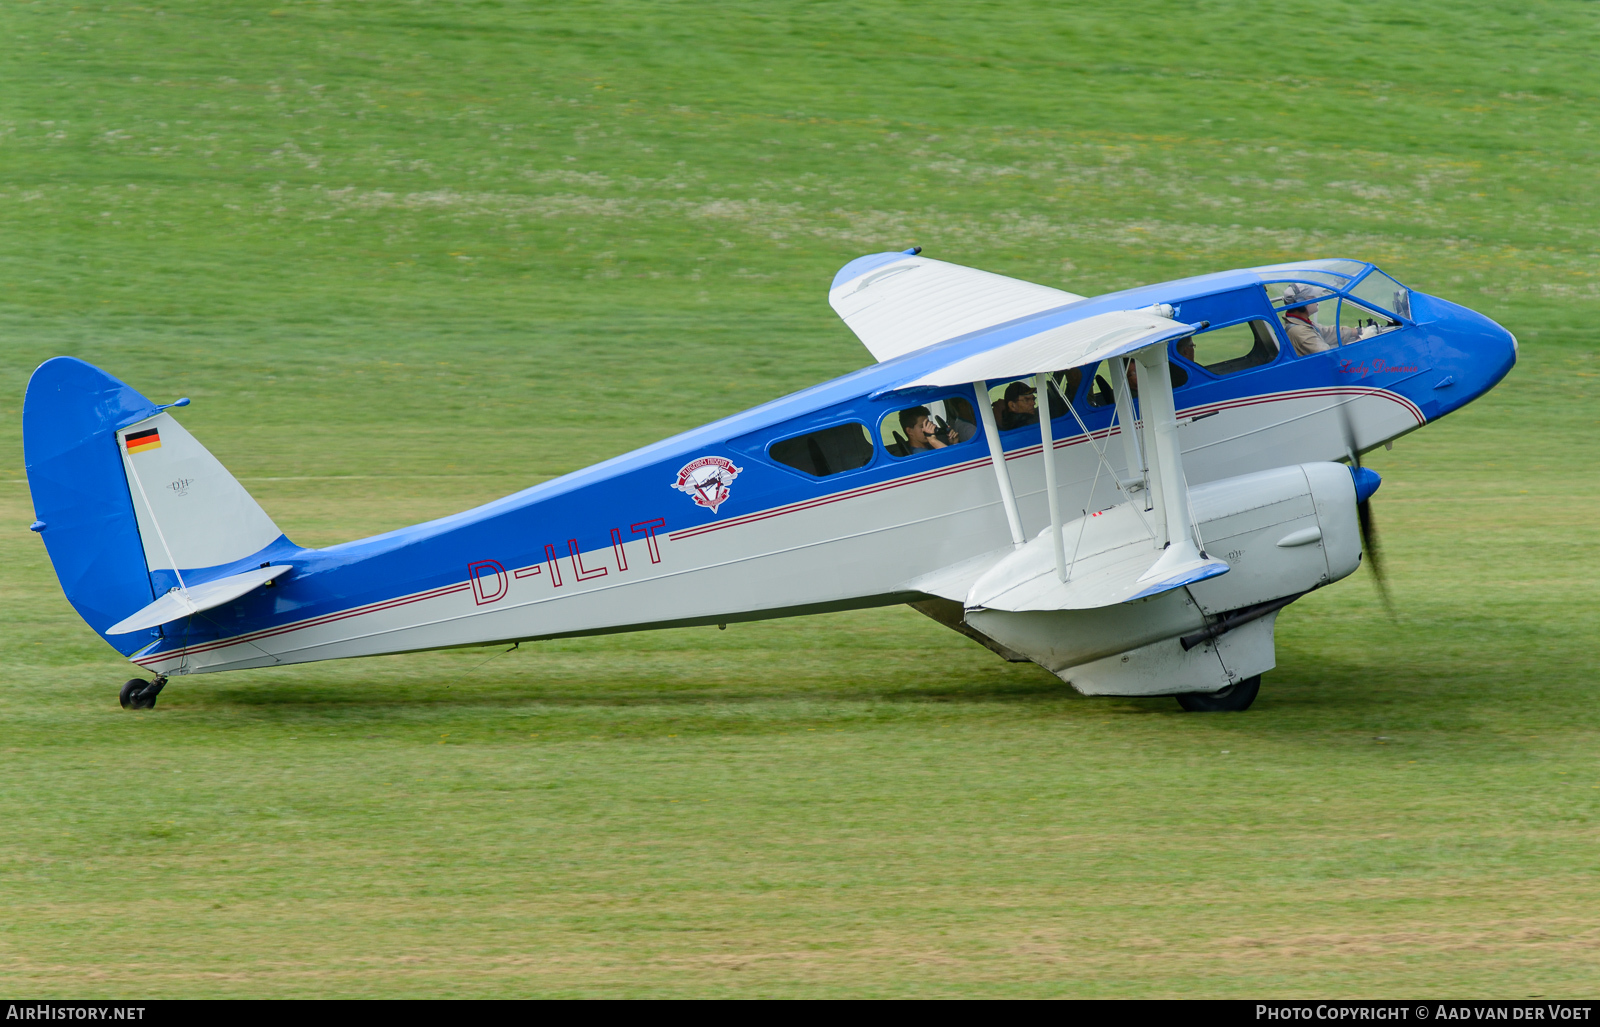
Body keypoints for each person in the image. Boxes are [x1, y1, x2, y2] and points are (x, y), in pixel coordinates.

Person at [1281, 283, 1361, 357]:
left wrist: (1357, 331)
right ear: (1301, 303)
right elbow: (1328, 355)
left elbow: (1327, 332)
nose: (1316, 299)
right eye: (1312, 297)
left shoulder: (1299, 322)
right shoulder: (1301, 332)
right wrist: (1360, 341)